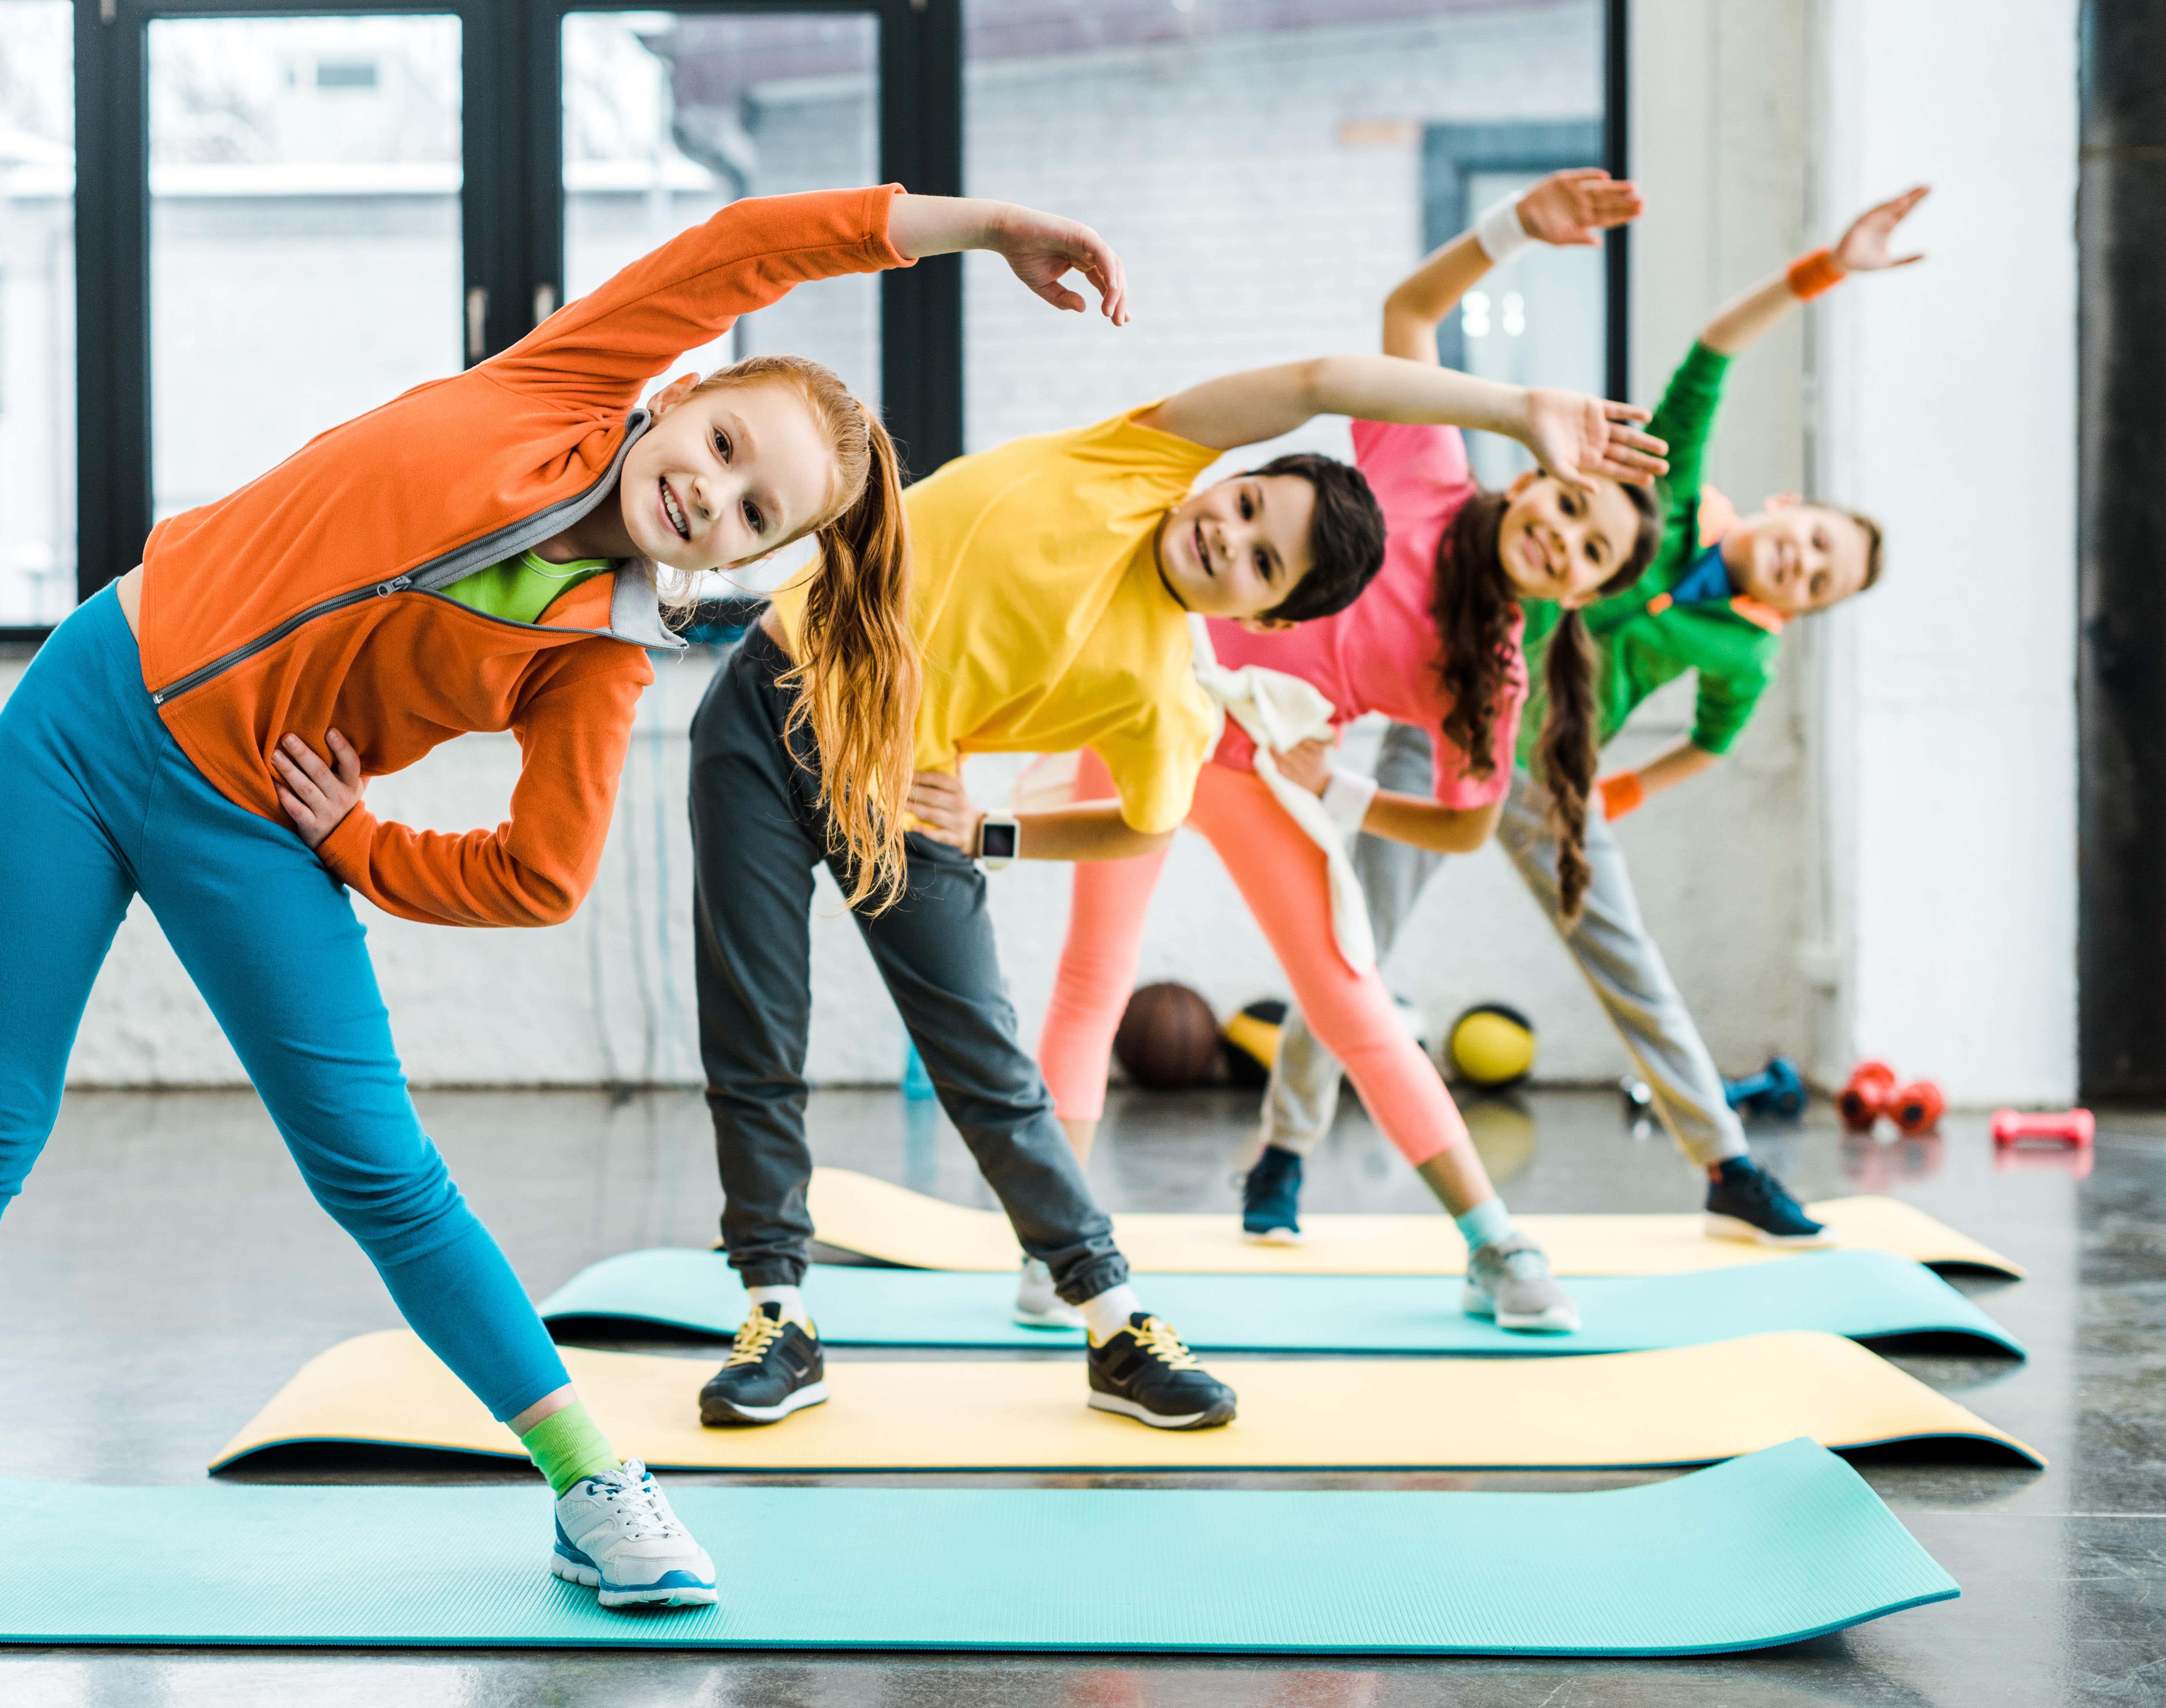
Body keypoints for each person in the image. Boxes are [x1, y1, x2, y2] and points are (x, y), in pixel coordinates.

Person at [0, 185, 1132, 1621]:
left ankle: (596, 1483)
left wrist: (358, 840)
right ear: (678, 392)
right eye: (723, 445)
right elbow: (748, 248)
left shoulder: (595, 661)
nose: (711, 493)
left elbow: (542, 875)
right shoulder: (553, 384)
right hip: (85, 712)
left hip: (252, 822)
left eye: (750, 513)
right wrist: (985, 229)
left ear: (739, 560)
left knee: (383, 1173)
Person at [691, 262, 1665, 1425]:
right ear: (1230, 475)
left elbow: (1144, 820)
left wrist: (993, 830)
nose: (1230, 536)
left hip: (920, 785)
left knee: (995, 1067)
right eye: (1247, 507)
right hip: (766, 702)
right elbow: (1320, 378)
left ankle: (1110, 1314)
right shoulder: (1137, 458)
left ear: (1263, 618)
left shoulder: (1172, 698)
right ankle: (777, 1314)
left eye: (1263, 564)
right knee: (758, 1027)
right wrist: (1517, 409)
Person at [1036, 171, 1668, 1334]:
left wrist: (1346, 791)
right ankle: (1059, 1246)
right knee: (1092, 976)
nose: (1561, 533)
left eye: (1587, 550)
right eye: (1573, 505)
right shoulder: (1427, 474)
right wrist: (1515, 230)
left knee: (1347, 996)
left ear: (1581, 595)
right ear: (1539, 471)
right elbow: (1407, 319)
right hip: (1139, 710)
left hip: (1248, 767)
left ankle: (1495, 1241)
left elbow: (1469, 824)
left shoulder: (1492, 669)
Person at [1249, 185, 1927, 1248]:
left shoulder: (1743, 659)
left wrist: (1611, 791)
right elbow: (1714, 345)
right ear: (1784, 511)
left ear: (1807, 609)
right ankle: (1283, 1153)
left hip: (1555, 773)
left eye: (1816, 581)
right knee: (1350, 943)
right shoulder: (1659, 487)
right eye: (1809, 543)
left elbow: (1706, 747)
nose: (1798, 565)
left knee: (1630, 963)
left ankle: (1727, 1165)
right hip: (1443, 730)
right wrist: (1827, 269)